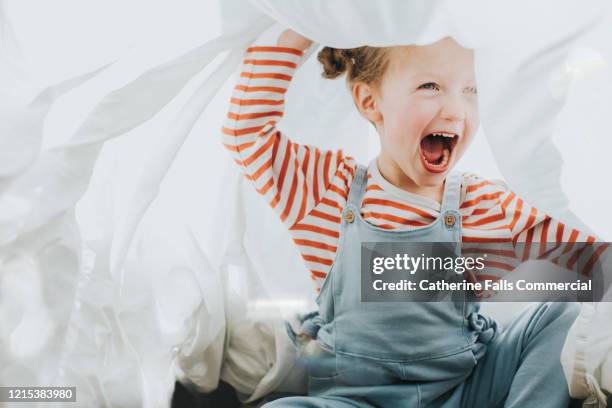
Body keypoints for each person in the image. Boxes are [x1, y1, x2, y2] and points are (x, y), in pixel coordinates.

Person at [220, 28, 604, 407]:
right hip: (355, 401)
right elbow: (246, 134)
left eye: (470, 90)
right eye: (430, 87)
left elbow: (584, 261)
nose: (456, 109)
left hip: (466, 391)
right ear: (370, 101)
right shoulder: (327, 192)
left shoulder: (482, 203)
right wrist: (298, 33)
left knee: (562, 314)